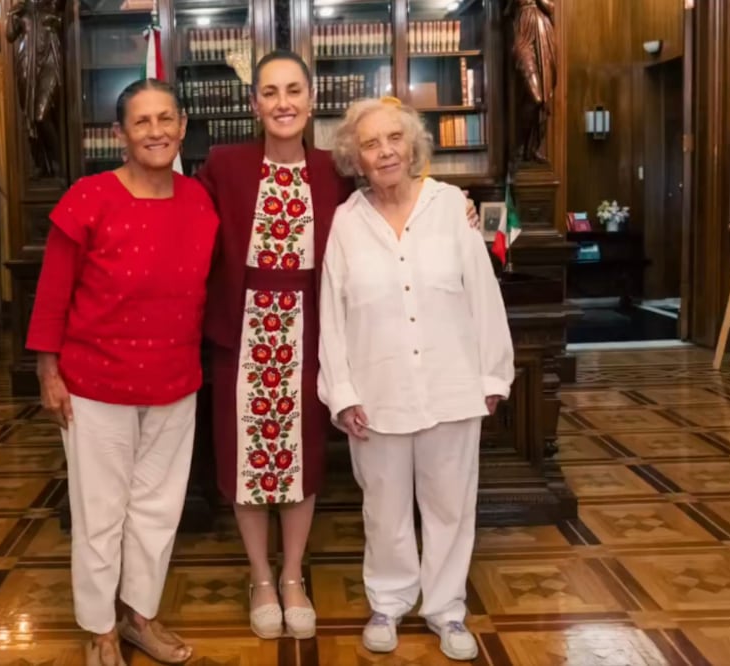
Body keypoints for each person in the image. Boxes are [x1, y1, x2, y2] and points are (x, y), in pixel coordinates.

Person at [195, 50, 481, 641]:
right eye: (270, 92)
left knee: (300, 459)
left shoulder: (335, 171)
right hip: (244, 336)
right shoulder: (223, 164)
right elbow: (190, 227)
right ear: (255, 104)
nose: (283, 103)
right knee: (245, 463)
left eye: (293, 90)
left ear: (310, 99)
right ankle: (260, 579)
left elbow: (399, 186)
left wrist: (463, 211)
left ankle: (294, 575)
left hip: (312, 334)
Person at [26, 78, 218, 666]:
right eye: (142, 122)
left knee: (158, 511)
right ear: (120, 134)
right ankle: (100, 627)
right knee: (99, 512)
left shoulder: (199, 201)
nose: (156, 131)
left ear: (182, 127)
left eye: (166, 119)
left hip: (174, 380)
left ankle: (140, 616)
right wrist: (47, 372)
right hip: (95, 384)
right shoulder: (88, 198)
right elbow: (53, 293)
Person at [318, 97, 514, 661]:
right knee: (383, 507)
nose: (384, 152)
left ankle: (448, 610)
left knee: (452, 505)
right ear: (355, 157)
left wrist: (491, 372)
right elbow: (333, 313)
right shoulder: (346, 222)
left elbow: (482, 291)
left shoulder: (452, 206)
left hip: (452, 386)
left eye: (393, 139)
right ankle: (389, 601)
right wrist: (343, 393)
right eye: (371, 144)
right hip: (375, 395)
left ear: (412, 145)